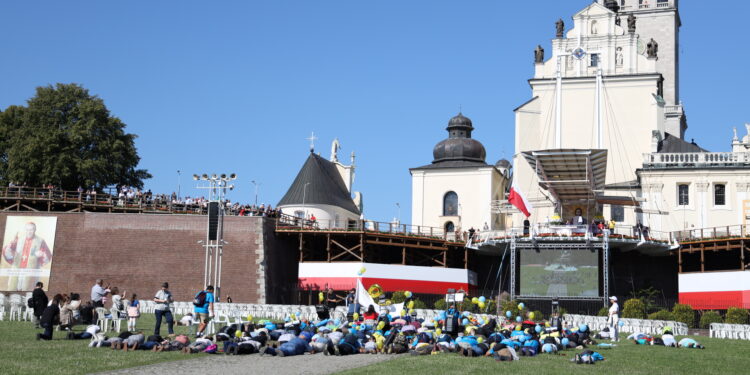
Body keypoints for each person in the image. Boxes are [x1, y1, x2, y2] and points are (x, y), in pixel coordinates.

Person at [2, 221, 53, 291]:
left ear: (35, 230)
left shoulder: (40, 241)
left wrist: (41, 254)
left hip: (31, 270)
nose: (29, 232)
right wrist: (9, 248)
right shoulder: (19, 239)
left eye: (31, 229)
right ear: (25, 230)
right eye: (27, 230)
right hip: (17, 269)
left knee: (28, 289)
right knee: (14, 288)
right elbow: (8, 250)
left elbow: (47, 255)